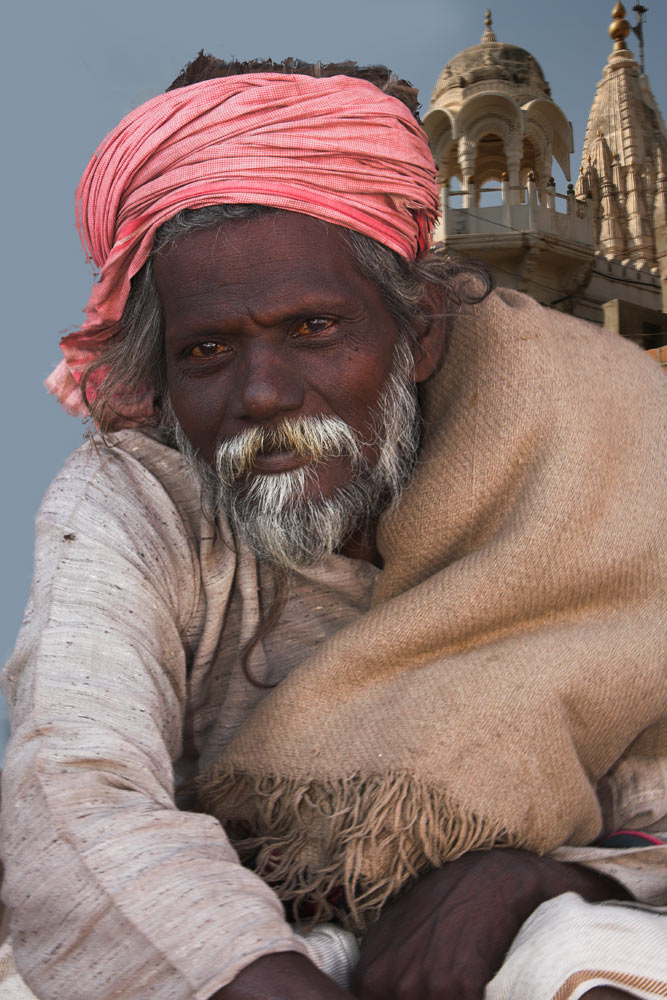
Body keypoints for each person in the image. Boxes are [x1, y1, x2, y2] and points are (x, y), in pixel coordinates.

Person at [1, 56, 665, 1000]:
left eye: (313, 329)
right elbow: (71, 794)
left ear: (420, 330)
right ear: (161, 373)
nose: (263, 394)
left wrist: (533, 875)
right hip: (217, 943)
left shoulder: (604, 465)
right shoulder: (134, 497)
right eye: (207, 350)